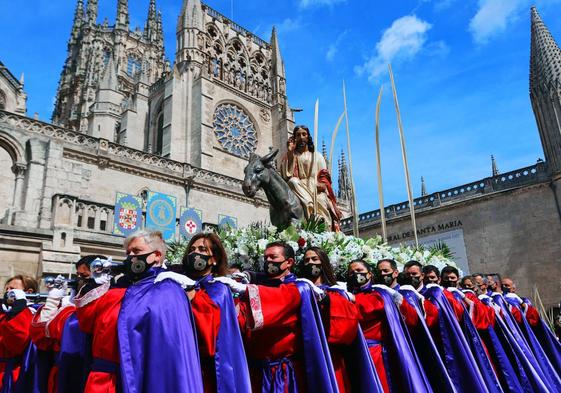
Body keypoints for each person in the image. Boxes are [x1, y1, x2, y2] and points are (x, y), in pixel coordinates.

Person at [74, 230, 203, 393]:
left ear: (156, 255)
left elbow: (171, 351)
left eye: (137, 251)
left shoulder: (167, 290)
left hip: (145, 379)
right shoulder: (118, 289)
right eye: (128, 253)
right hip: (106, 382)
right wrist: (97, 285)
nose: (131, 257)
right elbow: (87, 322)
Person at [215, 241, 339, 393]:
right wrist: (229, 298)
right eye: (266, 258)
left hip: (284, 373)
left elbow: (281, 298)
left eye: (273, 257)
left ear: (289, 262)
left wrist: (246, 290)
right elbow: (243, 321)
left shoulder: (299, 287)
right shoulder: (260, 286)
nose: (268, 261)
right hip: (257, 372)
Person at [156, 233, 251, 393]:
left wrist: (192, 295)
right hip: (177, 363)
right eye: (192, 249)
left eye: (202, 249)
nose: (195, 253)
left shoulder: (219, 288)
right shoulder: (176, 283)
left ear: (214, 259)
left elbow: (209, 327)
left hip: (206, 369)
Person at [298, 247, 381, 393]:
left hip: (330, 354)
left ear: (323, 262)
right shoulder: (298, 288)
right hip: (303, 353)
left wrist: (328, 300)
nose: (310, 263)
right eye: (306, 260)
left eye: (314, 259)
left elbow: (348, 323)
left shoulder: (335, 291)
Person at [347, 260, 430, 393]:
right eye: (351, 273)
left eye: (386, 271)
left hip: (386, 351)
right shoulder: (358, 292)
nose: (355, 275)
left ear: (369, 274)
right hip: (364, 351)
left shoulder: (394, 293)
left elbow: (414, 319)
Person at [280, 125, 342, 231]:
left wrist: (322, 183)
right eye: (298, 135)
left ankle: (323, 228)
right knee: (293, 181)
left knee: (322, 199)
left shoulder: (317, 156)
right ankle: (310, 206)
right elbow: (286, 175)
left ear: (308, 137)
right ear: (294, 138)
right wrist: (290, 153)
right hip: (298, 187)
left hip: (315, 188)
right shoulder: (292, 155)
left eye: (304, 134)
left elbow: (324, 174)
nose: (301, 137)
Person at [0, 275, 36, 391]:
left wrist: (15, 311)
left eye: (12, 289)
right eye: (7, 289)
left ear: (28, 292)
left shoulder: (29, 312)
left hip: (9, 372)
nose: (8, 292)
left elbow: (17, 341)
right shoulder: (5, 310)